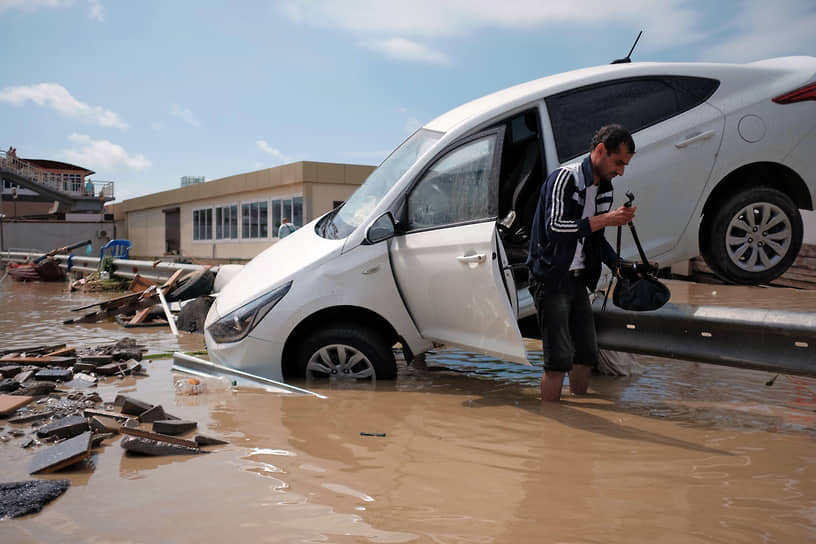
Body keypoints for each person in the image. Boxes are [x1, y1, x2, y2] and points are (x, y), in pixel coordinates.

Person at [526, 124, 637, 401]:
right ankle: (550, 427)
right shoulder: (564, 179)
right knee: (557, 361)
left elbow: (596, 238)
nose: (621, 171)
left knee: (585, 356)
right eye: (618, 162)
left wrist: (619, 265)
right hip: (551, 279)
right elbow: (556, 228)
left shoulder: (606, 188)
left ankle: (577, 422)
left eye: (625, 165)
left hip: (578, 280)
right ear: (600, 150)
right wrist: (608, 219)